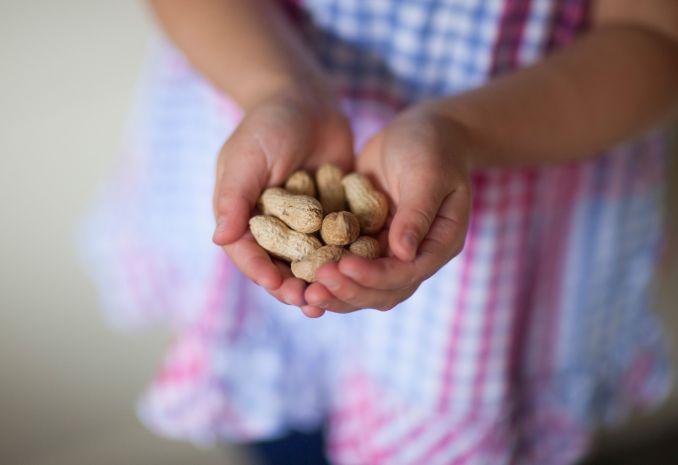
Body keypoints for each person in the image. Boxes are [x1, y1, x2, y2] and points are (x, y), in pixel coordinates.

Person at [78, 0, 678, 463]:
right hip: (262, 113)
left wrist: (455, 129)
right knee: (282, 426)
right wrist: (276, 88)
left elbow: (656, 39)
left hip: (515, 180)